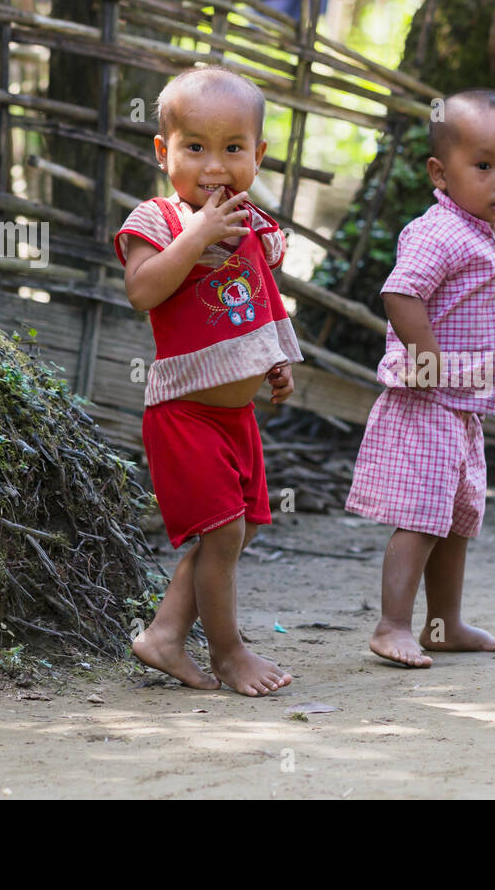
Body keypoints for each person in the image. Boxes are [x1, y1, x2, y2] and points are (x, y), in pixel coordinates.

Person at [114, 66, 301, 696]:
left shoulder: (252, 223)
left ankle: (164, 635)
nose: (214, 166)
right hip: (184, 413)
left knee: (238, 529)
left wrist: (273, 359)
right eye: (195, 147)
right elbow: (142, 291)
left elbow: (259, 298)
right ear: (164, 152)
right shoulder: (161, 218)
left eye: (232, 148)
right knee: (220, 532)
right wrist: (196, 237)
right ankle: (228, 652)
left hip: (236, 414)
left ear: (259, 155)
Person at [346, 88, 495, 668]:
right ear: (441, 171)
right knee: (422, 515)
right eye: (484, 166)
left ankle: (444, 622)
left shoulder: (484, 231)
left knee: (457, 517)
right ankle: (392, 625)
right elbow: (401, 292)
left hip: (464, 402)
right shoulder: (440, 230)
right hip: (429, 397)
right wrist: (427, 359)